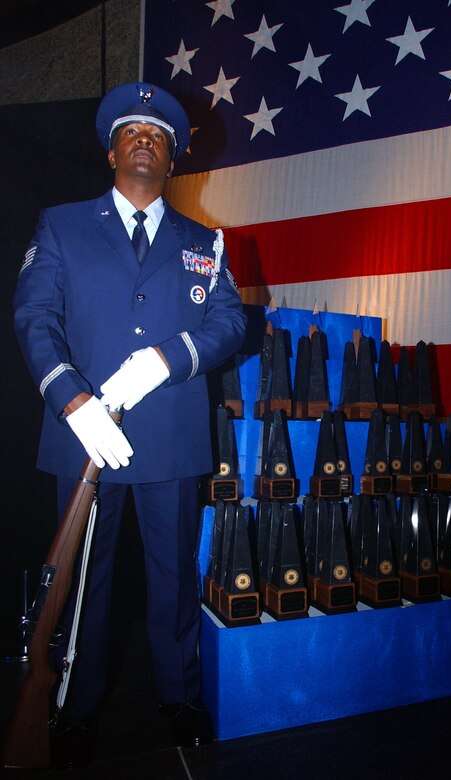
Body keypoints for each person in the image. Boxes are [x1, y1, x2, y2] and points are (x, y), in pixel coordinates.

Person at [13, 82, 246, 767]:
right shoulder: (61, 225)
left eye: (159, 135)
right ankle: (76, 704)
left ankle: (178, 697)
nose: (144, 138)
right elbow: (35, 319)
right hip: (86, 436)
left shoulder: (204, 242)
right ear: (111, 149)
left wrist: (170, 358)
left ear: (171, 160)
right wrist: (72, 400)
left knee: (175, 578)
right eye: (131, 130)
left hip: (171, 436)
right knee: (84, 579)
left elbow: (230, 321)